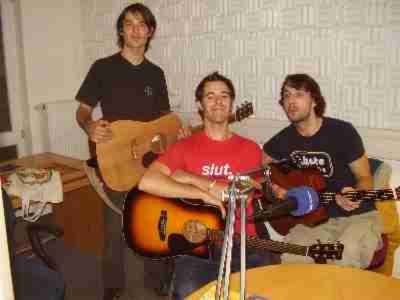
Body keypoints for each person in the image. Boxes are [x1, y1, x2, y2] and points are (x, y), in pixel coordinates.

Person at [138, 71, 277, 299]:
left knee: (260, 295)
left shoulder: (250, 148)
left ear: (231, 103)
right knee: (188, 294)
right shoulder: (184, 146)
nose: (218, 101)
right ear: (200, 104)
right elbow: (147, 181)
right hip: (198, 244)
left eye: (224, 95)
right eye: (210, 96)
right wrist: (201, 194)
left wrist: (191, 178)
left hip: (244, 243)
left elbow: (239, 198)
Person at [75, 3, 170, 299]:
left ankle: (159, 284)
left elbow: (162, 122)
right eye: (129, 24)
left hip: (148, 160)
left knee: (156, 220)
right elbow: (83, 110)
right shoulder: (102, 68)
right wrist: (89, 126)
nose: (135, 30)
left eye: (142, 24)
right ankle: (113, 290)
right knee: (115, 228)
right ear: (120, 30)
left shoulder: (156, 74)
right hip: (115, 160)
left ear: (150, 31)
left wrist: (174, 133)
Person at [263, 73, 384, 268]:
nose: (291, 101)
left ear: (314, 101)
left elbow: (364, 177)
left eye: (299, 94)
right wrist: (277, 190)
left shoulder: (343, 132)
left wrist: (356, 194)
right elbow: (264, 173)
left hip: (358, 216)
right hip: (314, 220)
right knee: (293, 257)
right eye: (286, 95)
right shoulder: (281, 141)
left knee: (346, 254)